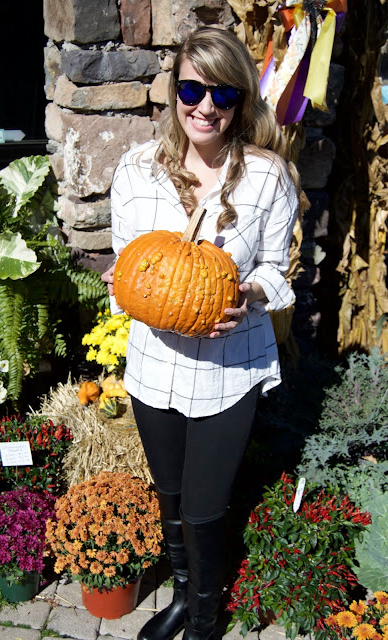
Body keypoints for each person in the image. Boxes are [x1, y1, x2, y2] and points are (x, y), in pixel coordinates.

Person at [102, 26, 306, 640]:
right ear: (175, 93)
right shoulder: (137, 170)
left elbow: (278, 269)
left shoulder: (268, 177)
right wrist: (124, 281)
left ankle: (206, 618)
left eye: (223, 95)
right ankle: (185, 596)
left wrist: (248, 295)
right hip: (155, 363)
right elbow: (127, 261)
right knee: (169, 494)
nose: (206, 108)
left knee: (203, 505)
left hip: (229, 366)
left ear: (241, 100)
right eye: (193, 90)